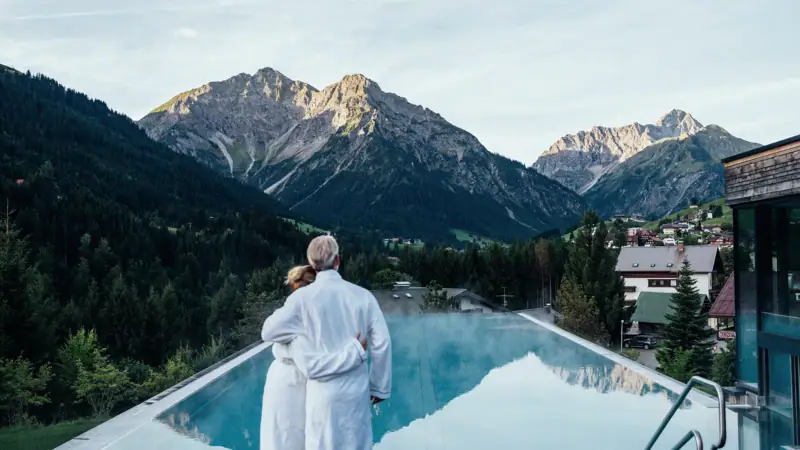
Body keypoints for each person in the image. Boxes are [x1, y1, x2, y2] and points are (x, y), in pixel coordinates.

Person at [261, 236, 392, 450]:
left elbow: (268, 332)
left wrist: (295, 334)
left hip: (321, 393)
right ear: (338, 261)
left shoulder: (301, 299)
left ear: (312, 265)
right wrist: (379, 387)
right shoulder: (363, 296)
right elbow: (382, 342)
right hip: (355, 391)